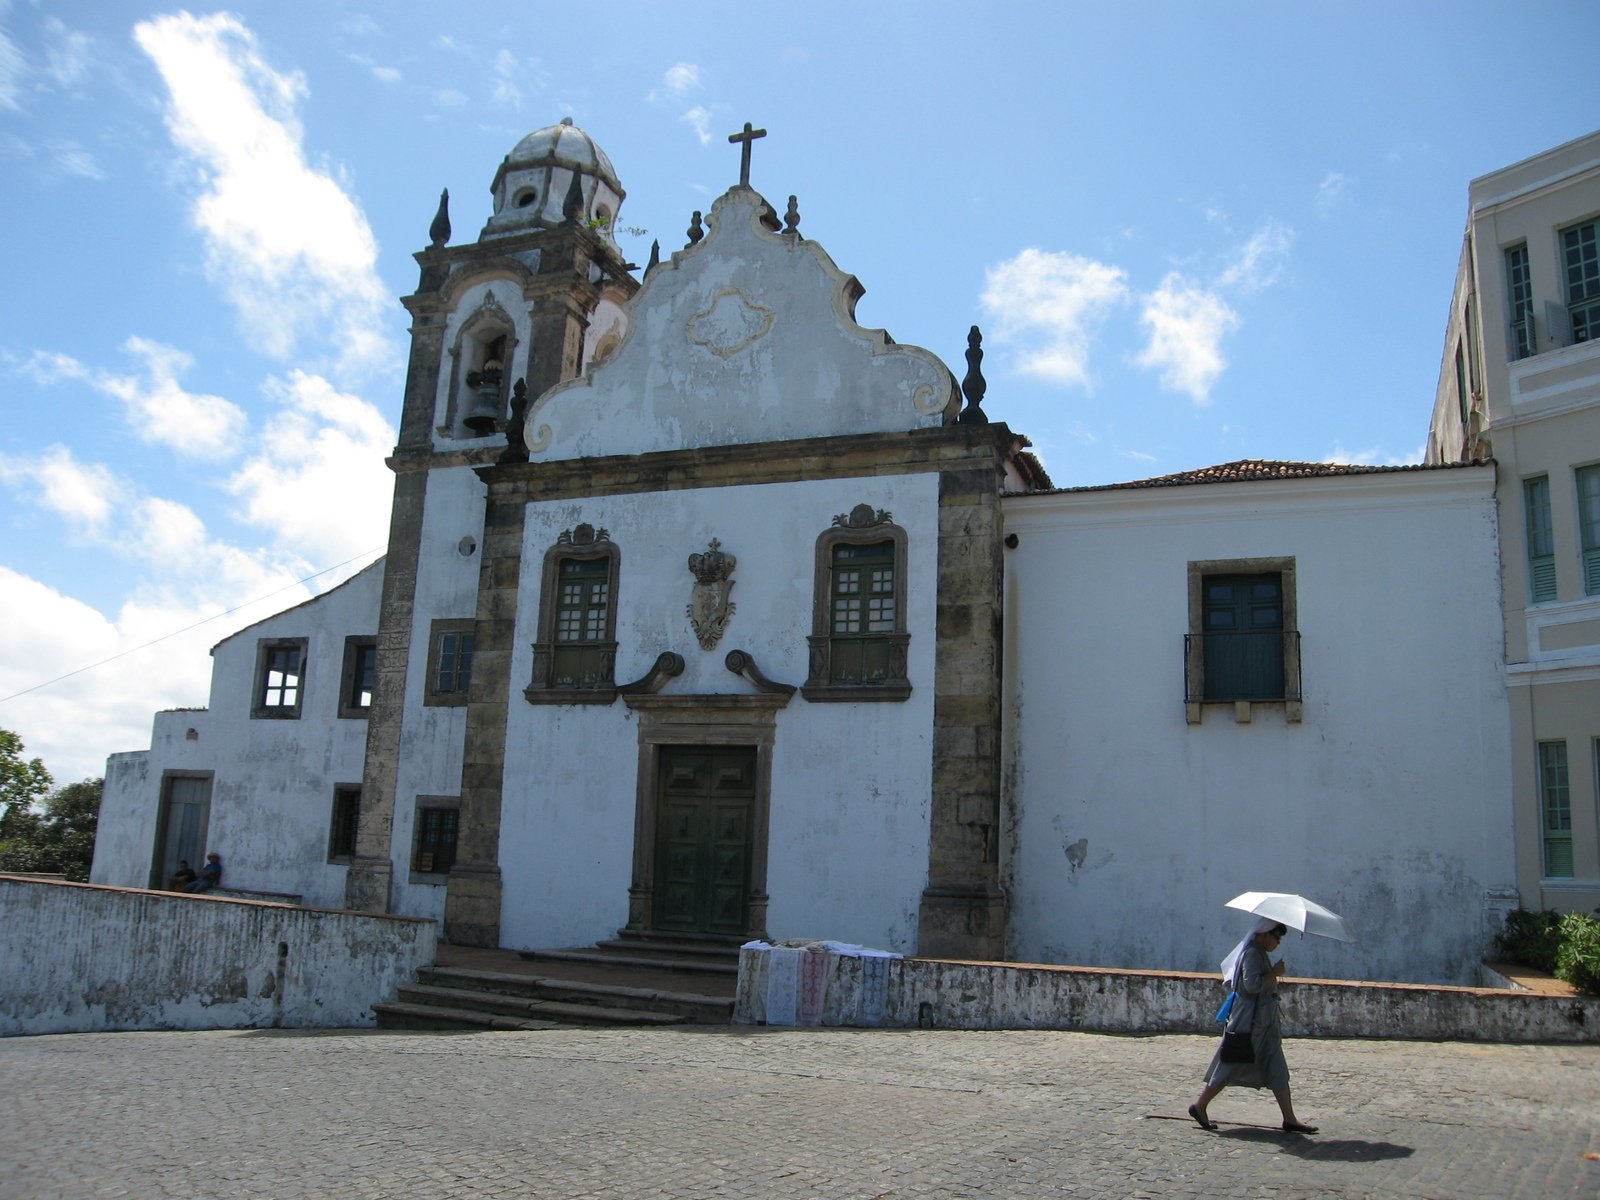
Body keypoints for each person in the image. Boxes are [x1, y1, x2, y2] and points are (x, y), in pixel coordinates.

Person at [1188, 917, 1319, 1134]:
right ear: (1264, 933)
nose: (1277, 943)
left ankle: (1290, 1118)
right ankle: (1200, 1105)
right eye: (1276, 937)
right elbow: (1252, 985)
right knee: (1231, 1062)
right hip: (1250, 1021)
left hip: (1265, 1021)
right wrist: (1274, 974)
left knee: (1277, 1066)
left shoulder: (1258, 953)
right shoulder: (1251, 954)